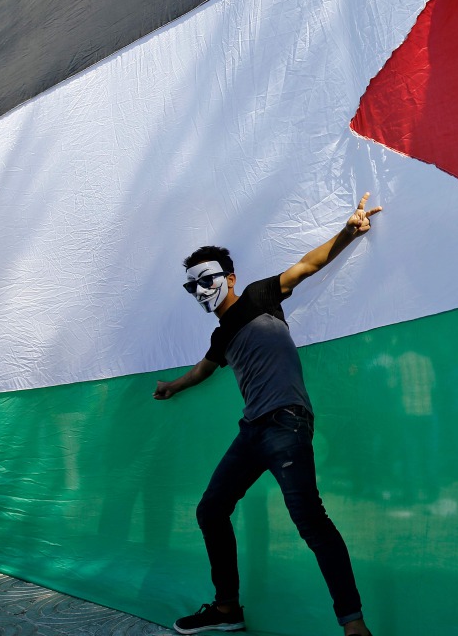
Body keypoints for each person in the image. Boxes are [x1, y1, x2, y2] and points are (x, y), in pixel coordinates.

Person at [154, 194, 382, 635]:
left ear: (231, 278)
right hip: (253, 431)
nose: (200, 291)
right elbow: (205, 368)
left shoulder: (258, 296)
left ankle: (354, 626)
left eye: (206, 280)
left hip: (286, 422)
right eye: (192, 286)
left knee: (311, 522)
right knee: (211, 511)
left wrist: (348, 231)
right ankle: (226, 610)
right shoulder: (221, 336)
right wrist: (173, 386)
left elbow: (305, 266)